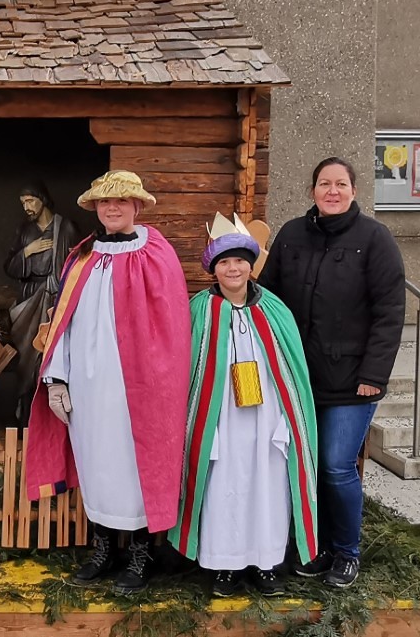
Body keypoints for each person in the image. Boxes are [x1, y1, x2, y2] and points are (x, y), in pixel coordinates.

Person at [25, 170, 191, 595]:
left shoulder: (157, 254)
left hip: (140, 389)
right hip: (88, 386)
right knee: (97, 464)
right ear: (95, 208)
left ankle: (140, 553)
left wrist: (162, 384)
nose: (112, 208)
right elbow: (61, 321)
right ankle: (103, 549)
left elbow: (171, 327)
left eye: (120, 201)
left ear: (137, 206)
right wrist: (57, 379)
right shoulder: (81, 257)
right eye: (104, 202)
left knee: (135, 468)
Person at [260, 157, 405, 589]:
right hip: (298, 377)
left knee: (336, 466)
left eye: (341, 184)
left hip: (352, 382)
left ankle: (346, 552)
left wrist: (374, 374)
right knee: (301, 465)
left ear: (354, 191)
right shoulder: (291, 235)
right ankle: (314, 546)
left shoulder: (375, 239)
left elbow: (389, 312)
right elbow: (267, 297)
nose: (332, 191)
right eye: (324, 184)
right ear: (313, 191)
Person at [168, 213, 318, 598]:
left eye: (239, 260)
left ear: (252, 265)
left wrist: (286, 420)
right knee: (223, 489)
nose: (233, 268)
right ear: (213, 268)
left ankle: (266, 563)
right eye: (224, 262)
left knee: (268, 489)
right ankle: (225, 565)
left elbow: (293, 372)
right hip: (219, 420)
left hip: (267, 420)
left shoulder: (275, 309)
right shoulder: (198, 309)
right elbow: (181, 367)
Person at [3, 181, 81, 424]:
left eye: (30, 201)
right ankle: (26, 417)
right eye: (23, 203)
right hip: (29, 299)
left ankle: (52, 420)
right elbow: (9, 267)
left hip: (55, 300)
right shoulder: (25, 231)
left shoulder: (65, 228)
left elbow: (77, 263)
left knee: (51, 357)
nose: (26, 207)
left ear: (43, 199)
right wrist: (28, 251)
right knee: (26, 359)